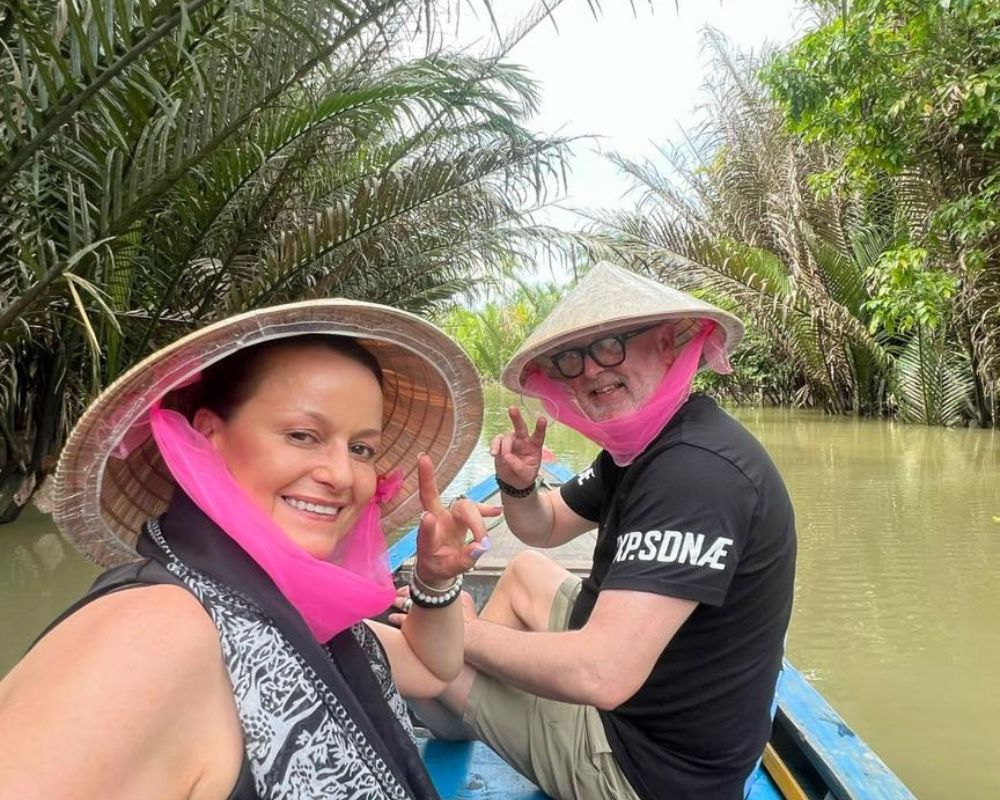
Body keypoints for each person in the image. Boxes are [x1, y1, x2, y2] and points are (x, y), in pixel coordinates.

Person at [0, 299, 496, 800]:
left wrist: (434, 577)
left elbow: (433, 669)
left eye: (360, 449)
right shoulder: (149, 634)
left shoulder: (289, 615)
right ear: (208, 435)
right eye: (303, 435)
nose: (342, 475)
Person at [428, 261, 797, 800]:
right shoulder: (642, 446)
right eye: (571, 358)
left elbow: (603, 674)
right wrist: (517, 486)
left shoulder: (695, 474)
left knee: (408, 637)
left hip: (644, 771)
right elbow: (545, 528)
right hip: (659, 708)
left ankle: (461, 688)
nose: (589, 372)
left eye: (612, 345)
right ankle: (476, 697)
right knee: (525, 572)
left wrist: (454, 630)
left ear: (668, 343)